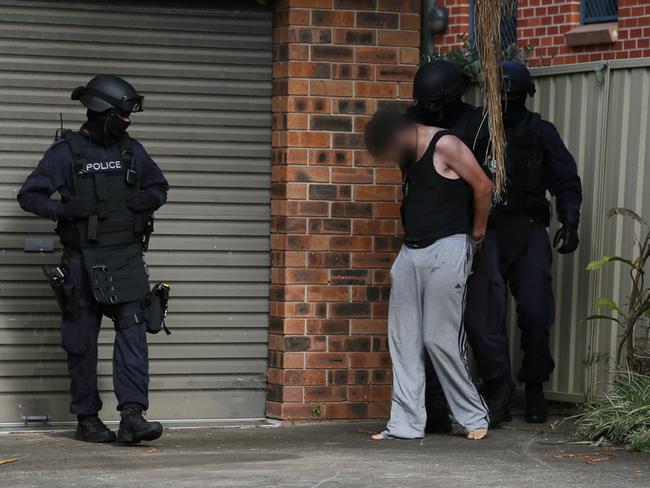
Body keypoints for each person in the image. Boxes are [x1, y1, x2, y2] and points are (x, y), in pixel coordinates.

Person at [17, 75, 169, 443]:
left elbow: (159, 187)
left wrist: (147, 199)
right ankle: (87, 420)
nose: (126, 121)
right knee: (81, 343)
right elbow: (29, 196)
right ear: (101, 111)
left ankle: (133, 416)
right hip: (83, 260)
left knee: (134, 334)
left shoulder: (132, 150)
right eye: (121, 114)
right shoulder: (65, 152)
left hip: (126, 258)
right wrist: (63, 209)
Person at [464, 62, 582, 424]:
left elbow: (565, 179)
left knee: (534, 310)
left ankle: (534, 387)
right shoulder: (478, 130)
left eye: (513, 95)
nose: (506, 100)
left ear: (525, 96)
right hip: (489, 230)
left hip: (528, 227)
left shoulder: (540, 131)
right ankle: (496, 387)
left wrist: (571, 220)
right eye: (501, 94)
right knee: (485, 316)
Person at [365, 109, 493, 441]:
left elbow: (483, 186)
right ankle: (405, 425)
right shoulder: (407, 155)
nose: (390, 158)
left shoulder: (446, 144)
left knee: (439, 338)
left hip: (448, 247)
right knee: (403, 339)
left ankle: (474, 417)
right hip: (411, 251)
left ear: (404, 133)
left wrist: (476, 236)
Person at [406, 60, 492, 432]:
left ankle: (477, 410)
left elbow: (484, 186)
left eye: (434, 104)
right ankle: (425, 415)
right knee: (412, 340)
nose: (428, 110)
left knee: (451, 333)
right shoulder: (412, 126)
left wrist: (476, 236)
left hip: (457, 238)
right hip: (419, 241)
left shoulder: (474, 126)